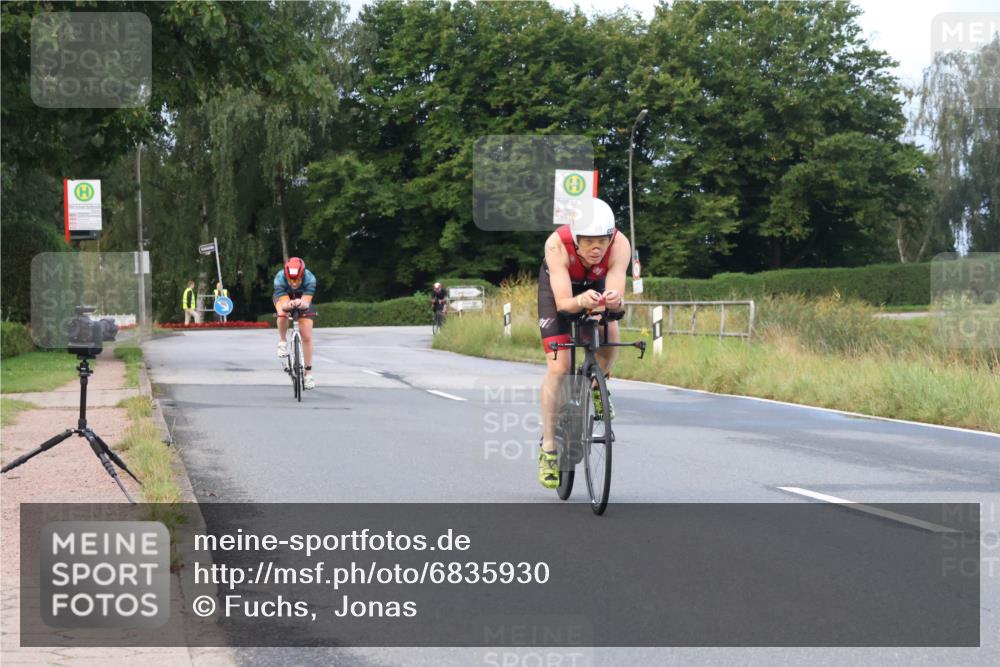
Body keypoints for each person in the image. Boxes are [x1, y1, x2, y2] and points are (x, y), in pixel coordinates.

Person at [536, 198, 630, 489]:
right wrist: (580, 301)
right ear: (576, 239)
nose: (596, 248)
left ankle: (597, 385)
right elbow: (564, 303)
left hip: (596, 286)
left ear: (610, 236)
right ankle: (549, 448)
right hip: (560, 292)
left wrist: (612, 300)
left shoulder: (620, 245)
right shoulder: (556, 244)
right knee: (559, 367)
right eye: (588, 241)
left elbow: (617, 298)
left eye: (601, 240)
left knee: (610, 330)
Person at [273, 257, 318, 389]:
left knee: (307, 336)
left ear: (302, 275)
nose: (293, 283)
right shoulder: (279, 278)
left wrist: (300, 303)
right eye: (290, 280)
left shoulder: (310, 279)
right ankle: (282, 342)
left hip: (302, 297)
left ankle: (308, 374)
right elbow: (285, 304)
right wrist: (288, 305)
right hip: (284, 297)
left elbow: (306, 302)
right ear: (286, 276)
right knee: (282, 313)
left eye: (297, 280)